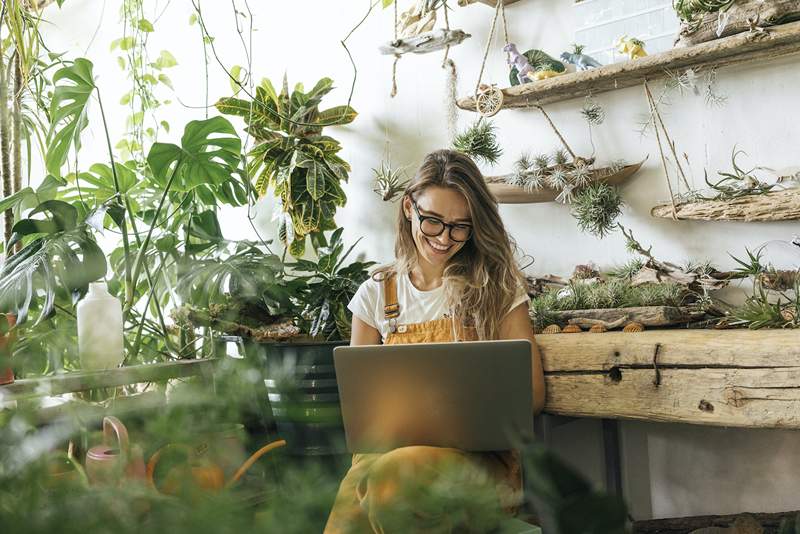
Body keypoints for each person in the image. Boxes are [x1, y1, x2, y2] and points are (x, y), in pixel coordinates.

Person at [324, 149, 546, 533]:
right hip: (380, 460)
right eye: (433, 222)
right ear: (409, 207)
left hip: (477, 463)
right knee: (360, 506)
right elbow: (361, 409)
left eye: (461, 226)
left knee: (394, 483)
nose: (445, 238)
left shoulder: (499, 290)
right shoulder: (375, 294)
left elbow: (533, 395)